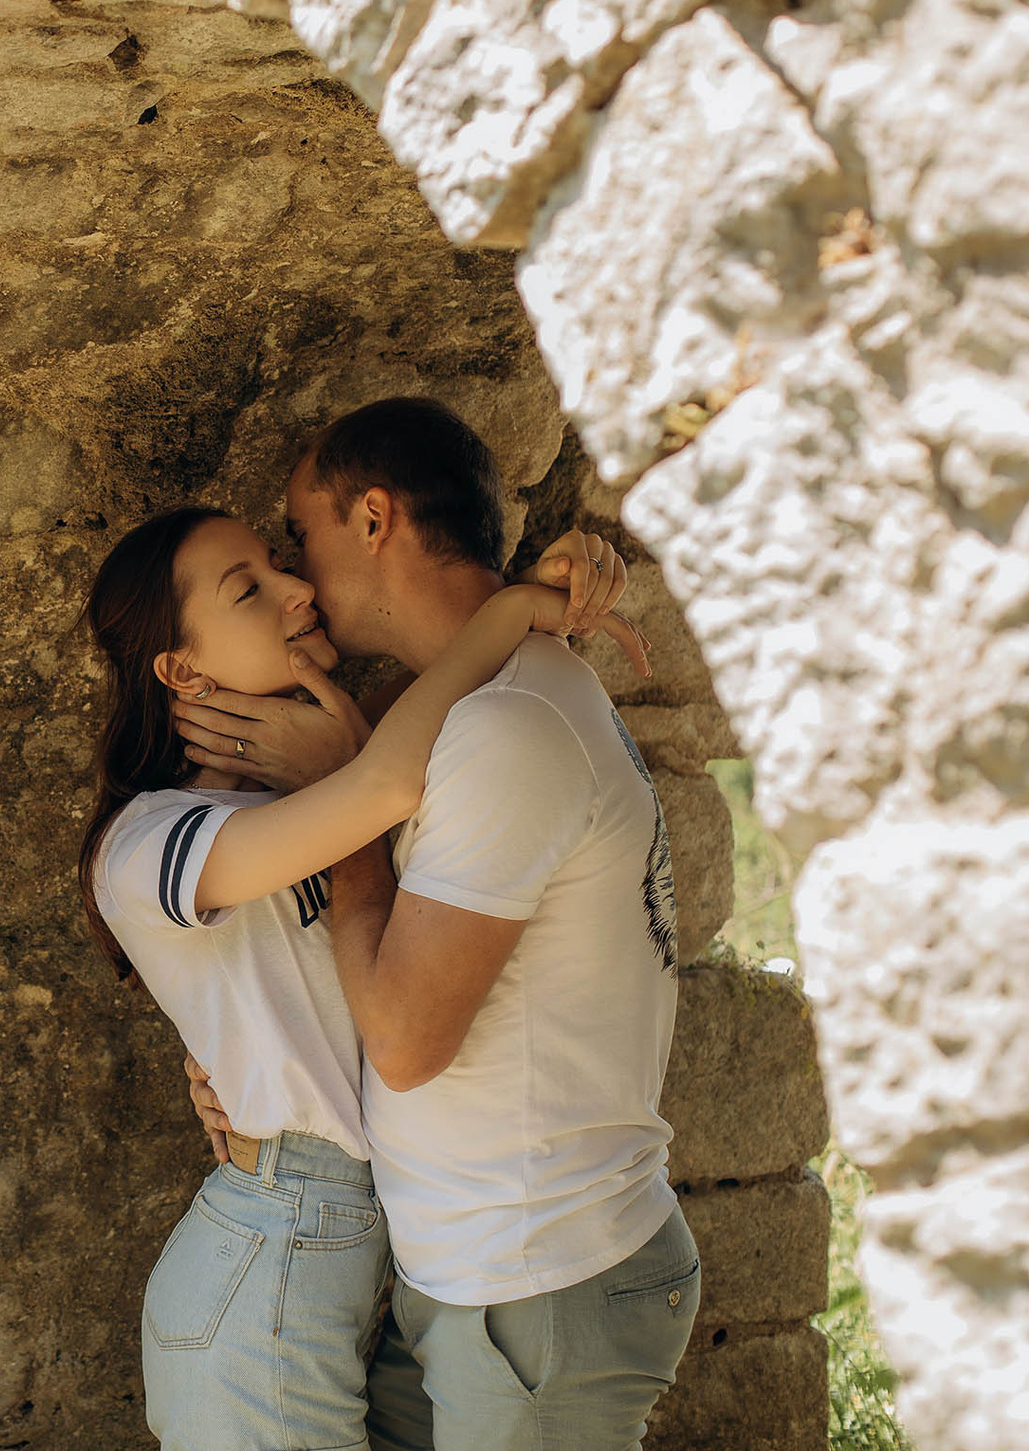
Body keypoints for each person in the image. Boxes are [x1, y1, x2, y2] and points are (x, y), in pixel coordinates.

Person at [177, 398, 701, 1451]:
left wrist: (345, 814)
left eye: (301, 534)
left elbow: (409, 1041)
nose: (294, 573)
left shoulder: (506, 729)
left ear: (373, 519)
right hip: (489, 1279)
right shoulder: (492, 703)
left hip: (535, 1287)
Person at [79, 496, 645, 1451]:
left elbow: (436, 703)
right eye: (250, 590)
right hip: (273, 1258)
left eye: (280, 560)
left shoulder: (320, 768)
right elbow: (384, 781)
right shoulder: (151, 841)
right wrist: (510, 610)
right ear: (181, 669)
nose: (299, 587)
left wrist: (575, 568)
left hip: (383, 1251)